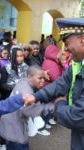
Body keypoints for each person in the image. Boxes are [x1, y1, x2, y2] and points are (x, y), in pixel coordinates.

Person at [33, 18, 84, 150]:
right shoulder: (78, 62)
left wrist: (59, 103)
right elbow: (61, 83)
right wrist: (36, 96)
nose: (66, 49)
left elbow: (76, 116)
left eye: (67, 44)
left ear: (82, 40)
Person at [0, 65, 46, 150]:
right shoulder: (27, 90)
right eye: (40, 78)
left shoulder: (23, 82)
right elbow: (31, 110)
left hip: (9, 123)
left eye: (44, 78)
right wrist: (50, 106)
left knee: (11, 145)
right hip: (15, 126)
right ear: (29, 76)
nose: (43, 81)